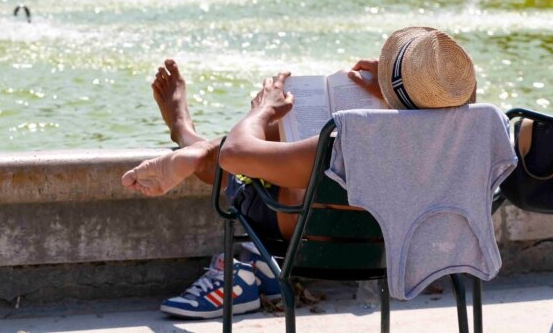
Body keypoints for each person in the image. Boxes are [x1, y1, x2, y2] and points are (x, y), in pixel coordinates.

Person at [121, 26, 478, 319]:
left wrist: (262, 111)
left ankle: (186, 135)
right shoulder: (473, 138)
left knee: (268, 144)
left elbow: (236, 155)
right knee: (297, 145)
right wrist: (391, 98)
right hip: (398, 249)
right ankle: (193, 142)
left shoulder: (346, 144)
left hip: (304, 239)